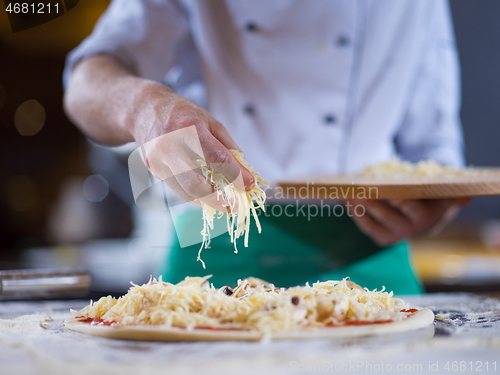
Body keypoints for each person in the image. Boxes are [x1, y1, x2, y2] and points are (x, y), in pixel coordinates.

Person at [64, 0, 469, 294]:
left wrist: (429, 211)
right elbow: (85, 85)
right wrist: (142, 107)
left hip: (370, 249)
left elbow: (435, 151)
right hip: (215, 246)